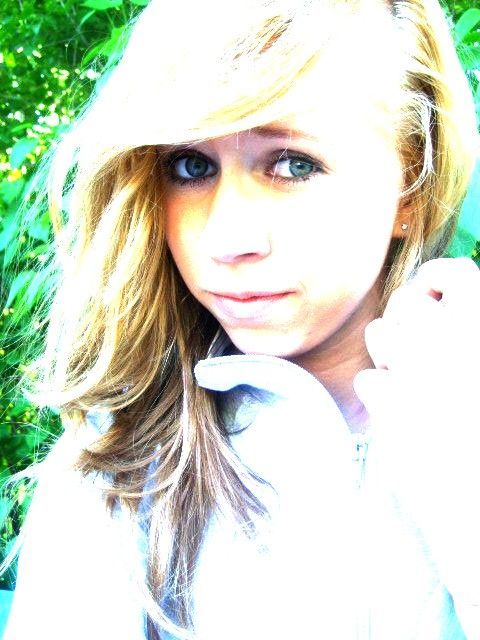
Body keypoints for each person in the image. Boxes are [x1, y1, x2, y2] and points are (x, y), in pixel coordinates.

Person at [3, 0, 480, 638]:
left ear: (411, 189)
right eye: (191, 166)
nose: (226, 238)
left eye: (292, 164)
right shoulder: (117, 467)